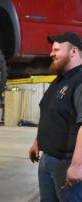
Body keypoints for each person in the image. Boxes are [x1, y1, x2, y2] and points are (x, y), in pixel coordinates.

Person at [29, 32, 82, 202]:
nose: (51, 54)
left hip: (67, 163)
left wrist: (77, 166)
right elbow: (49, 114)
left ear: (73, 52)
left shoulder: (80, 80)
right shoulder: (58, 81)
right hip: (47, 159)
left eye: (57, 50)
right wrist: (37, 142)